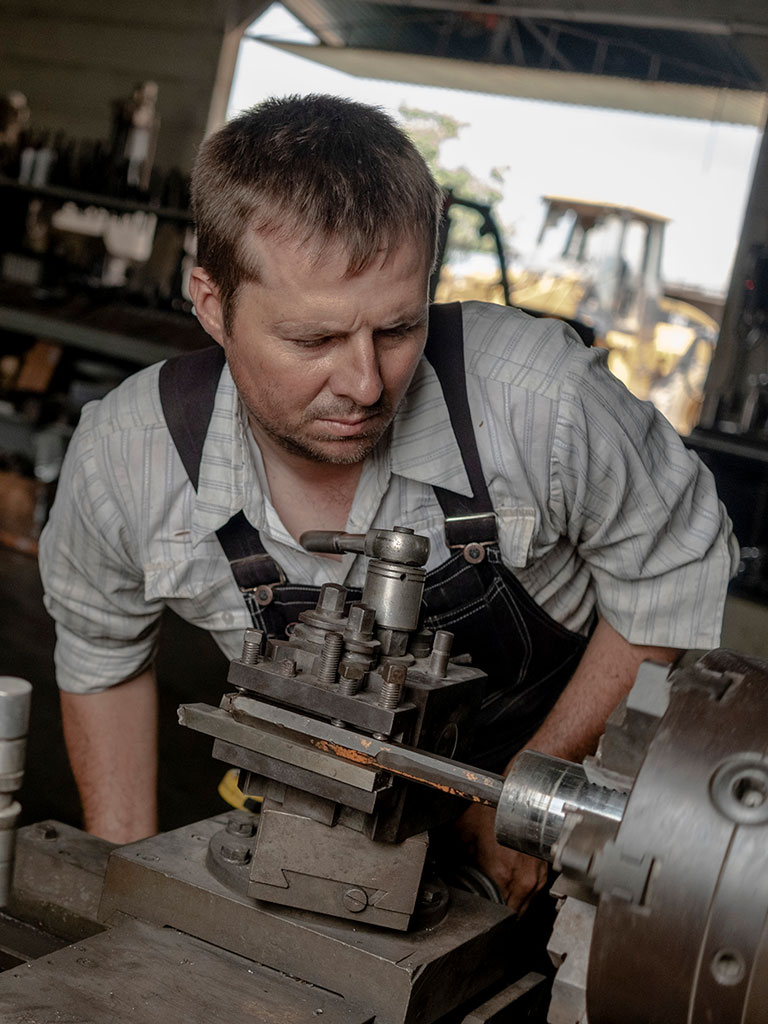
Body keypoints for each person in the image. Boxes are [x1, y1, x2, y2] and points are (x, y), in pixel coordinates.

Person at [38, 94, 737, 916]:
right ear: (212, 304)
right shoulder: (128, 458)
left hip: (563, 817)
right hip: (319, 828)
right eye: (314, 340)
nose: (367, 385)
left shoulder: (537, 400)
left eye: (398, 330)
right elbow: (103, 655)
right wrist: (127, 895)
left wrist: (531, 788)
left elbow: (675, 569)